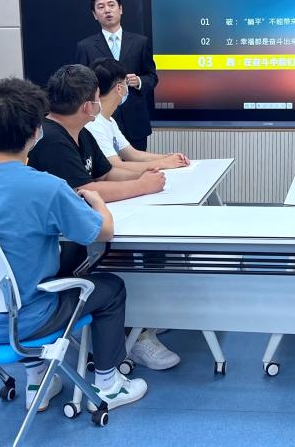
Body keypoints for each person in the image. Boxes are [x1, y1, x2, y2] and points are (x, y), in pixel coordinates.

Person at [0, 77, 146, 413]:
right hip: (24, 321)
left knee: (18, 275)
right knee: (110, 288)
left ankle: (39, 379)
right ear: (36, 130)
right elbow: (103, 232)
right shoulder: (46, 187)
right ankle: (109, 384)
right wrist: (98, 203)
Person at [28, 64, 181, 371]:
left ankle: (142, 322)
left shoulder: (80, 133)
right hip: (61, 247)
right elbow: (85, 190)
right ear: (88, 106)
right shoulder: (52, 139)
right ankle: (124, 349)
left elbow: (106, 173)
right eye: (97, 97)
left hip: (79, 232)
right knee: (117, 266)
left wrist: (147, 177)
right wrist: (140, 186)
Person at [76, 0, 158, 151]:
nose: (107, 10)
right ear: (94, 15)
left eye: (111, 5)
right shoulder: (85, 47)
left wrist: (139, 81)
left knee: (138, 163)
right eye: (101, 7)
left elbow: (152, 77)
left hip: (135, 121)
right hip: (100, 121)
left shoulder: (140, 43)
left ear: (120, 9)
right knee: (106, 165)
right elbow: (80, 85)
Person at [86, 58, 190, 172]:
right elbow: (115, 166)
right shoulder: (94, 123)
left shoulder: (109, 120)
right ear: (119, 88)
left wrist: (167, 157)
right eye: (126, 83)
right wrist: (164, 163)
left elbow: (132, 154)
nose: (127, 88)